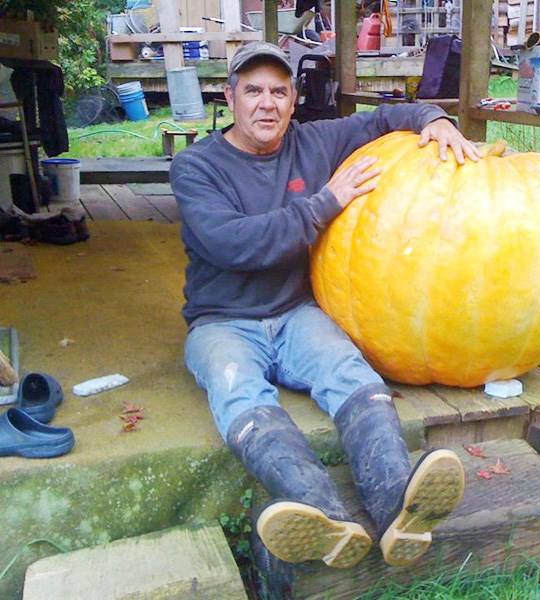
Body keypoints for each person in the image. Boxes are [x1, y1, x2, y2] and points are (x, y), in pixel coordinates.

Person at [169, 41, 482, 577]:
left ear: (294, 100)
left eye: (279, 91)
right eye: (253, 91)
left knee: (348, 371)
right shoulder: (196, 165)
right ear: (230, 97)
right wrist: (324, 204)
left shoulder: (314, 142)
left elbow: (384, 118)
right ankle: (323, 514)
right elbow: (233, 244)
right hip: (221, 321)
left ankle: (397, 509)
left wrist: (435, 118)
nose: (266, 104)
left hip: (296, 313)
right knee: (237, 388)